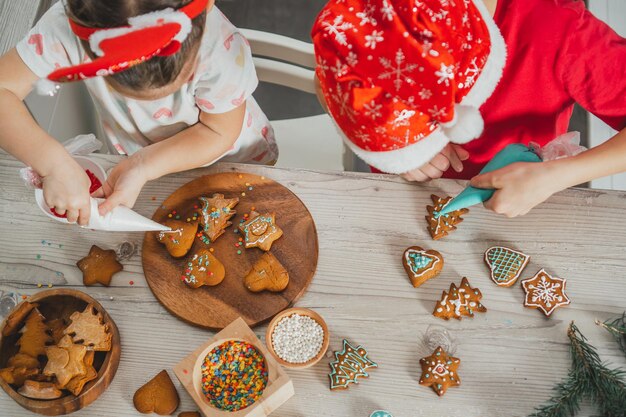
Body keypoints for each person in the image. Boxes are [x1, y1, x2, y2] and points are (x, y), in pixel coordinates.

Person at [312, 0, 626, 217]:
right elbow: (327, 82)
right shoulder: (374, 12)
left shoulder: (561, 29)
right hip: (398, 190)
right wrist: (397, 149)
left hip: (521, 198)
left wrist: (555, 177)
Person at [0, 0, 277, 225]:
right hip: (137, 167)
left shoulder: (220, 49)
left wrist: (145, 164)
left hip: (229, 160)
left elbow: (218, 131)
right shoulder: (63, 29)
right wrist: (53, 164)